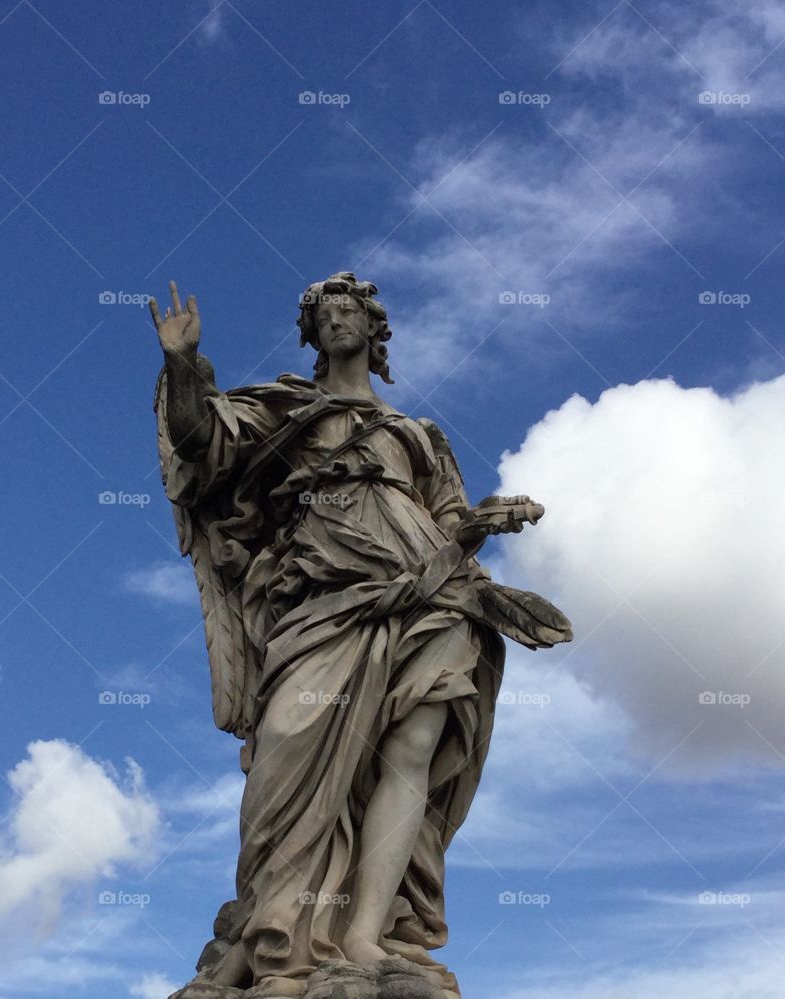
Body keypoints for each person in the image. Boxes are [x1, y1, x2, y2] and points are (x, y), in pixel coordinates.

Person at [152, 273, 571, 996]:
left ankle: (364, 933)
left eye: (352, 308)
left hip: (431, 597)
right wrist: (183, 363)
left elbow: (448, 526)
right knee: (287, 748)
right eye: (325, 311)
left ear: (375, 329)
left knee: (410, 749)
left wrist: (479, 521)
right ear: (311, 333)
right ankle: (277, 933)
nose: (339, 318)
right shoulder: (285, 411)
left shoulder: (418, 435)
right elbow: (199, 444)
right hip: (323, 603)